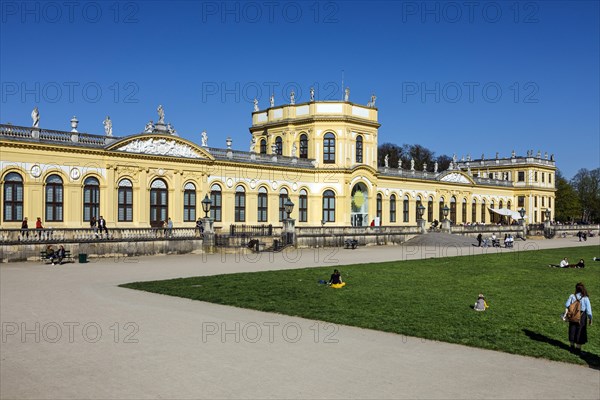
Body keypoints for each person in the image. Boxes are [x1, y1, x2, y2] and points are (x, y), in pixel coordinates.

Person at [562, 282, 593, 354]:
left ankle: (571, 347)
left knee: (572, 329)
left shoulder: (572, 296)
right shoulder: (585, 298)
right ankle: (578, 349)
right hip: (582, 316)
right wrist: (590, 319)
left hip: (573, 315)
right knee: (580, 331)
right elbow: (588, 311)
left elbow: (567, 305)